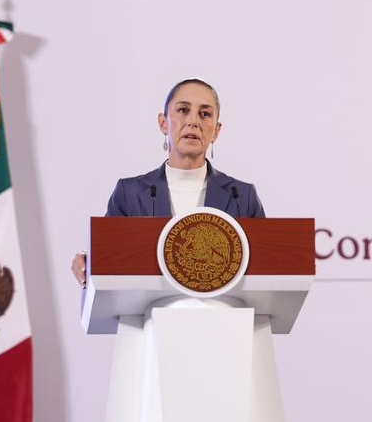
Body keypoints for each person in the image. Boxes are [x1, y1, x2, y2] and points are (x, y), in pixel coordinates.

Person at [71, 78, 265, 286]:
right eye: (183, 110)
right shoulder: (129, 194)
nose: (193, 122)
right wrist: (87, 260)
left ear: (216, 131)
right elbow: (108, 256)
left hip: (224, 314)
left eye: (205, 114)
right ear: (163, 123)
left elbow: (267, 265)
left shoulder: (241, 196)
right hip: (151, 315)